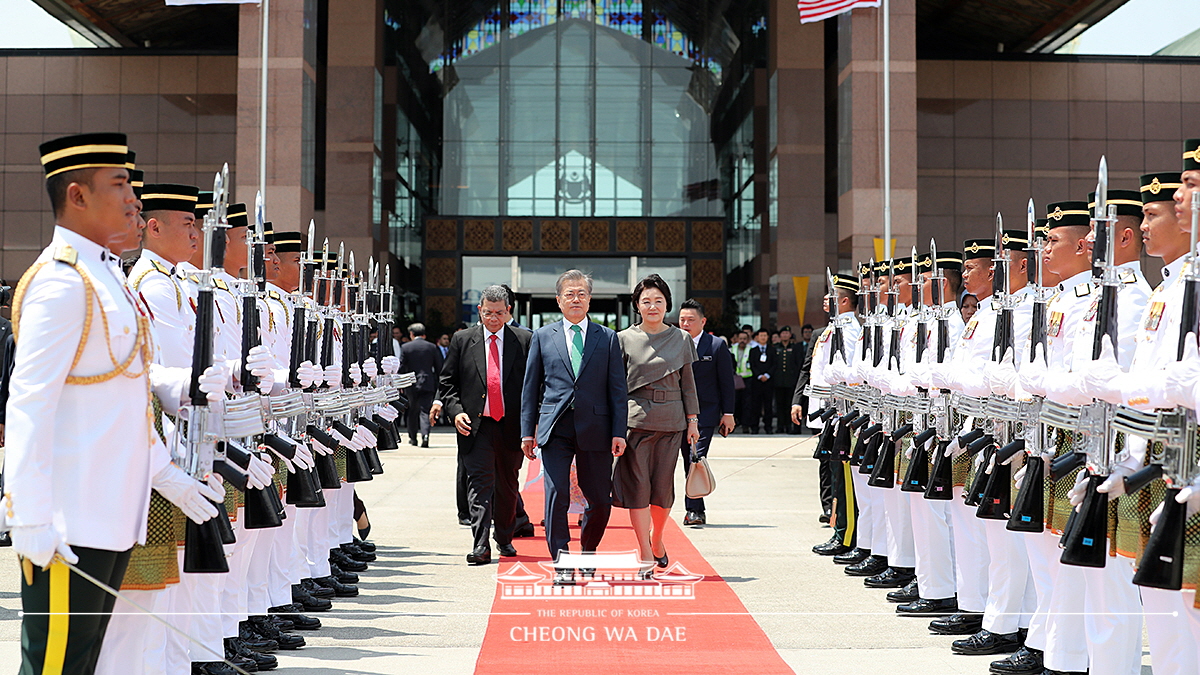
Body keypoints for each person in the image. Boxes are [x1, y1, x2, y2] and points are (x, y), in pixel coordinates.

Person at [5, 133, 221, 675]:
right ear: (77, 196)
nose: (133, 199)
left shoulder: (108, 278)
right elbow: (29, 404)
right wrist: (29, 517)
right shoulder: (63, 281)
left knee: (84, 663)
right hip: (68, 522)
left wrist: (181, 385)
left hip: (111, 515)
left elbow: (124, 387)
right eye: (119, 185)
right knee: (54, 666)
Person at [520, 269, 627, 583]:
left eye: (582, 293)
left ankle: (589, 550)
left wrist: (619, 431)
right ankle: (562, 563)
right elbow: (531, 388)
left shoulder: (607, 337)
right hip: (556, 427)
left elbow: (617, 390)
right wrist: (528, 431)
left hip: (597, 428)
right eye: (570, 293)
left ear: (590, 299)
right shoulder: (542, 336)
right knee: (556, 496)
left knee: (599, 499)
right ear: (558, 300)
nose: (576, 299)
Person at [432, 285, 532, 565]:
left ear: (508, 311)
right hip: (476, 427)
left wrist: (531, 427)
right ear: (480, 310)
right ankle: (480, 544)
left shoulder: (523, 340)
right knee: (479, 485)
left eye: (499, 313)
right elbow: (447, 383)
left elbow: (533, 385)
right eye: (488, 312)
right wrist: (455, 412)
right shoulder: (463, 340)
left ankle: (504, 539)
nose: (493, 319)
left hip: (511, 426)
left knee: (508, 486)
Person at [615, 275, 699, 569]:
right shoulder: (623, 339)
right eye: (646, 301)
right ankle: (643, 551)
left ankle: (658, 538)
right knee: (638, 488)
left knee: (663, 491)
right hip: (635, 422)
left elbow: (688, 385)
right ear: (637, 306)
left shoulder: (681, 339)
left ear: (667, 305)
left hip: (672, 423)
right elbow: (615, 387)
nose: (653, 306)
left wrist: (692, 421)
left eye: (659, 301)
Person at [677, 298, 736, 527]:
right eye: (682, 320)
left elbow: (726, 383)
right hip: (675, 413)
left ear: (702, 321)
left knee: (694, 459)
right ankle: (691, 508)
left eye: (691, 320)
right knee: (682, 461)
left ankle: (694, 511)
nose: (686, 324)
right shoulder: (673, 343)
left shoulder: (715, 345)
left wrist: (728, 413)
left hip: (704, 414)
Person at [399, 322, 443, 447]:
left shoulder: (406, 347)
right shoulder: (432, 347)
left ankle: (413, 438)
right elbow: (439, 367)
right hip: (428, 382)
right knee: (425, 410)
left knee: (412, 411)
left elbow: (401, 367)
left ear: (412, 334)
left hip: (411, 383)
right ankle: (425, 435)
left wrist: (400, 383)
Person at [771, 326, 802, 434]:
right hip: (779, 380)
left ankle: (790, 426)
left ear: (790, 335)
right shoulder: (775, 347)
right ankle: (780, 426)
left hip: (791, 381)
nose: (785, 335)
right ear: (780, 336)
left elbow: (798, 363)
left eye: (787, 333)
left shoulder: (795, 347)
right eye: (783, 333)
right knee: (779, 405)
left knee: (790, 405)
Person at [745, 328, 775, 433]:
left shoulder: (772, 350)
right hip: (756, 382)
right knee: (755, 405)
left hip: (769, 382)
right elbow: (752, 365)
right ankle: (754, 427)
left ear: (768, 337)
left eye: (765, 335)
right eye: (761, 335)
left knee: (768, 405)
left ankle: (768, 427)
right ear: (757, 337)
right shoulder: (753, 351)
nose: (763, 337)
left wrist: (767, 375)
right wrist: (759, 375)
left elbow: (774, 365)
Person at [731, 330, 753, 427]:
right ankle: (734, 424)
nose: (742, 341)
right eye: (740, 339)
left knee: (747, 403)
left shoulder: (751, 349)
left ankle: (745, 425)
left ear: (748, 340)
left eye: (744, 339)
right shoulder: (731, 349)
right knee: (735, 402)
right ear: (737, 339)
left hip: (747, 378)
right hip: (734, 378)